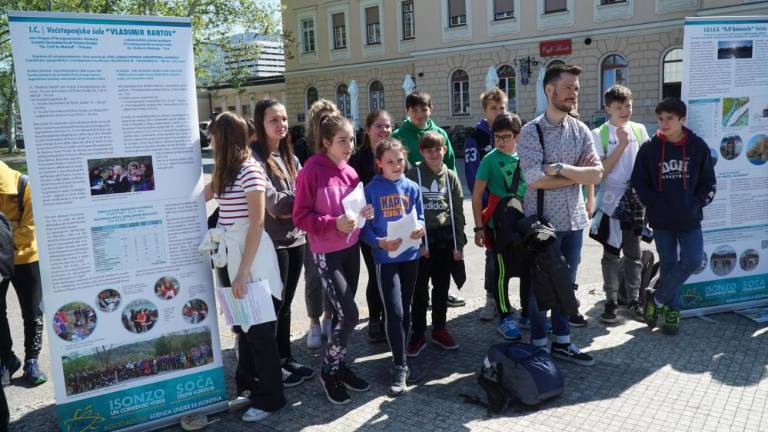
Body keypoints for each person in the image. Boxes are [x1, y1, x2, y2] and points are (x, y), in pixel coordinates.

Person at [517, 63, 602, 366]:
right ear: (549, 90)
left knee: (567, 284)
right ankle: (539, 345)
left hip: (575, 221)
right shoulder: (531, 131)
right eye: (567, 88)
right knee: (540, 286)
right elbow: (534, 179)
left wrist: (561, 169)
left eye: (576, 88)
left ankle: (563, 343)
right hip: (542, 224)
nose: (573, 93)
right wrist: (578, 176)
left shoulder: (580, 130)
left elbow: (597, 174)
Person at [204, 111, 286, 422]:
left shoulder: (250, 170)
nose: (209, 141)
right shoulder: (226, 170)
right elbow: (201, 197)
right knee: (244, 328)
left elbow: (257, 224)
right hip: (231, 254)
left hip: (251, 260)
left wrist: (241, 274)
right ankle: (250, 386)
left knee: (260, 331)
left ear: (224, 137)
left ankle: (272, 398)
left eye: (212, 135)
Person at [293, 115, 373, 405]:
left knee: (342, 316)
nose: (349, 146)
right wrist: (333, 223)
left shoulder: (350, 172)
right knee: (350, 314)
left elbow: (354, 210)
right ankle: (328, 371)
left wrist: (365, 214)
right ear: (326, 142)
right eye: (342, 141)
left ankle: (339, 366)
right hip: (327, 254)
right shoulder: (311, 171)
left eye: (352, 139)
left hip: (351, 250)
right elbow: (300, 217)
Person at [631, 97, 716, 335]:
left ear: (682, 119)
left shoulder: (698, 147)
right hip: (661, 220)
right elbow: (638, 182)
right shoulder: (649, 148)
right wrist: (653, 202)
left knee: (693, 259)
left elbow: (709, 182)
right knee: (668, 264)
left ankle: (656, 298)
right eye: (660, 119)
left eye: (670, 118)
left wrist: (695, 204)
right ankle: (672, 312)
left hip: (689, 219)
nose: (664, 123)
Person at [251, 99, 315, 386]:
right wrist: (300, 201)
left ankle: (285, 357)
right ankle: (270, 363)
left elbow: (307, 194)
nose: (281, 125)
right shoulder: (255, 158)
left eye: (284, 119)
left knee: (286, 304)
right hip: (272, 243)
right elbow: (274, 205)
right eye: (274, 120)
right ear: (260, 123)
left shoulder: (289, 155)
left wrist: (298, 201)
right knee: (272, 307)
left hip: (296, 238)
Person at [361, 138, 425, 396]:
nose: (397, 165)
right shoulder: (370, 190)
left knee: (405, 310)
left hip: (410, 256)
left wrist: (421, 228)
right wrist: (380, 242)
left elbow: (420, 216)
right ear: (379, 163)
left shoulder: (412, 187)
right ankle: (398, 365)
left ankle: (403, 358)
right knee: (395, 312)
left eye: (400, 160)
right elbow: (364, 229)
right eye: (390, 162)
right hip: (386, 259)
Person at [589, 84, 650, 323]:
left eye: (628, 106)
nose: (625, 111)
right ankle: (611, 300)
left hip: (635, 200)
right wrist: (622, 145)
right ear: (608, 109)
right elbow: (601, 172)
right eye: (619, 107)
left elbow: (647, 163)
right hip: (611, 201)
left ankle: (634, 300)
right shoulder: (599, 134)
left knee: (634, 253)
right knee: (611, 252)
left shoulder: (639, 129)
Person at [405, 131, 465, 358]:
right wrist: (417, 243)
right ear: (421, 152)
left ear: (444, 150)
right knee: (419, 291)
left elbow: (457, 212)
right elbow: (407, 211)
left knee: (442, 288)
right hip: (422, 238)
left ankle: (439, 329)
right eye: (428, 150)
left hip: (445, 238)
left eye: (437, 149)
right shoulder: (413, 175)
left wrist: (459, 245)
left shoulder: (450, 176)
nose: (433, 154)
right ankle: (418, 333)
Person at [471, 113, 529, 341]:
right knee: (502, 272)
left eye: (506, 137)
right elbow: (477, 196)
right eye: (497, 137)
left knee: (527, 269)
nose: (500, 142)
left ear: (517, 136)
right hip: (499, 225)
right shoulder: (489, 160)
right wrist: (478, 228)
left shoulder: (526, 156)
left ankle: (527, 313)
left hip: (523, 223)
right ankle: (505, 317)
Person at [0, 161, 48, 387]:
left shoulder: (25, 186)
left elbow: (29, 232)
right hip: (2, 259)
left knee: (33, 311)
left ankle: (32, 360)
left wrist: (3, 234)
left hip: (27, 258)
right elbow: (20, 230)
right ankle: (7, 360)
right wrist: (11, 227)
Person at [464, 88, 507, 322]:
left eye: (502, 108)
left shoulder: (511, 131)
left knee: (511, 252)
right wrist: (486, 203)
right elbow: (473, 175)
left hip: (511, 204)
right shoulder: (476, 136)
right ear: (485, 110)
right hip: (489, 206)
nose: (499, 112)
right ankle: (491, 298)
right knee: (492, 254)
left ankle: (505, 296)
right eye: (493, 108)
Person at [349, 110, 392, 344]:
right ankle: (375, 319)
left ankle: (390, 316)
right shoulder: (357, 160)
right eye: (378, 126)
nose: (384, 130)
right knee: (376, 273)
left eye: (387, 126)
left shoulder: (393, 153)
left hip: (393, 222)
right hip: (369, 227)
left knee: (390, 272)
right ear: (367, 130)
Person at [302, 100, 341, 350]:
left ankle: (328, 316)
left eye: (330, 117)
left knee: (333, 274)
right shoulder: (303, 148)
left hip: (335, 225)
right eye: (321, 119)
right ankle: (314, 321)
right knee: (313, 275)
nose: (326, 122)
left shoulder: (338, 146)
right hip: (311, 224)